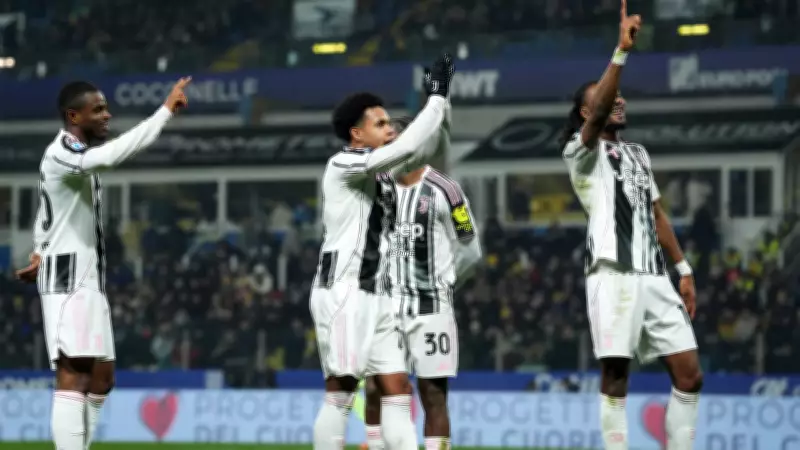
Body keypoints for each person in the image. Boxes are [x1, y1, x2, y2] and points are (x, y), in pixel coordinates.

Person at [15, 77, 191, 450]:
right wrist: (163, 112)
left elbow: (49, 207)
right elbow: (110, 157)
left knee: (102, 378)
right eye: (98, 110)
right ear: (73, 116)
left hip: (87, 275)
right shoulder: (64, 151)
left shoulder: (73, 153)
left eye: (106, 108)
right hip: (68, 276)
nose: (107, 115)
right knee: (74, 373)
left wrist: (38, 248)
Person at [560, 1, 703, 449]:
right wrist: (620, 52)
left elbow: (657, 215)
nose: (618, 100)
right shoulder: (580, 154)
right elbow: (602, 106)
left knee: (690, 374)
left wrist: (683, 270)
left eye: (620, 96)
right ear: (587, 114)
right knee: (616, 373)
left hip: (654, 276)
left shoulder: (638, 154)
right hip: (613, 274)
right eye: (606, 99)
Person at [310, 53, 455, 450]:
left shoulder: (383, 171)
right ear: (357, 134)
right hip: (344, 290)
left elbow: (429, 150)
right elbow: (407, 146)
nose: (390, 128)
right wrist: (435, 98)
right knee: (342, 390)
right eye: (380, 124)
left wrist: (442, 102)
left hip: (379, 294)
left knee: (397, 387)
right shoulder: (344, 164)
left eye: (390, 122)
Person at [362, 115, 482, 450]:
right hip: (388, 307)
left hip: (432, 309)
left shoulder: (446, 190)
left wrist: (446, 284)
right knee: (375, 388)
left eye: (393, 144)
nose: (387, 152)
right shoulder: (377, 188)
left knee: (433, 394)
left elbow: (470, 249)